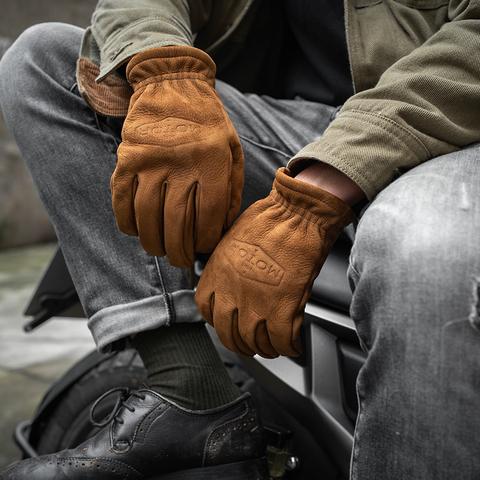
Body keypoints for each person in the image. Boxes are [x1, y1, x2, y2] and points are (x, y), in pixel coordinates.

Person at [1, 0, 480, 478]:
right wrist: (167, 75)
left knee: (425, 257)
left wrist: (309, 199)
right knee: (44, 60)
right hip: (299, 124)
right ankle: (191, 392)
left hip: (449, 129)